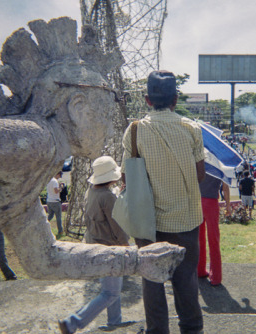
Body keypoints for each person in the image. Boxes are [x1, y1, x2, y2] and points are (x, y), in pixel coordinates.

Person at [120, 70, 205, 334]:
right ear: (175, 99)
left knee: (152, 282)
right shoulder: (192, 129)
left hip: (149, 224)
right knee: (186, 280)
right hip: (186, 221)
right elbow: (200, 174)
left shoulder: (134, 130)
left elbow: (126, 176)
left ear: (147, 100)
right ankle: (192, 329)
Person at [59, 156, 131, 334]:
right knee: (111, 293)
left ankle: (115, 322)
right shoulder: (108, 197)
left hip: (94, 245)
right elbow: (117, 227)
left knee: (112, 288)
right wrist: (126, 245)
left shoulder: (92, 191)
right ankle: (72, 323)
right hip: (109, 249)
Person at [198, 174, 231, 287]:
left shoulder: (199, 163)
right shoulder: (219, 167)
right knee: (214, 239)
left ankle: (200, 270)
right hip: (211, 203)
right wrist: (228, 206)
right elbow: (225, 188)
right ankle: (216, 277)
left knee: (199, 239)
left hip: (198, 202)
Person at [47, 171, 64, 237]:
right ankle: (60, 231)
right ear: (58, 174)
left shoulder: (49, 180)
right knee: (58, 217)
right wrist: (61, 187)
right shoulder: (54, 181)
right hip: (55, 201)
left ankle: (43, 225)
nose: (59, 177)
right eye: (60, 176)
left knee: (50, 216)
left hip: (49, 200)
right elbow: (56, 191)